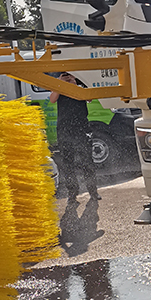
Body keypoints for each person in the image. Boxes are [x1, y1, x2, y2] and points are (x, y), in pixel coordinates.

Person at [49, 73, 100, 204]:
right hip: (64, 129)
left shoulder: (81, 84)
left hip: (81, 128)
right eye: (65, 75)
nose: (68, 77)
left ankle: (93, 192)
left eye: (70, 75)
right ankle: (72, 194)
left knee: (87, 161)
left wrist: (74, 84)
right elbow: (52, 99)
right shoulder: (59, 87)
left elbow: (90, 98)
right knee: (68, 163)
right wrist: (60, 83)